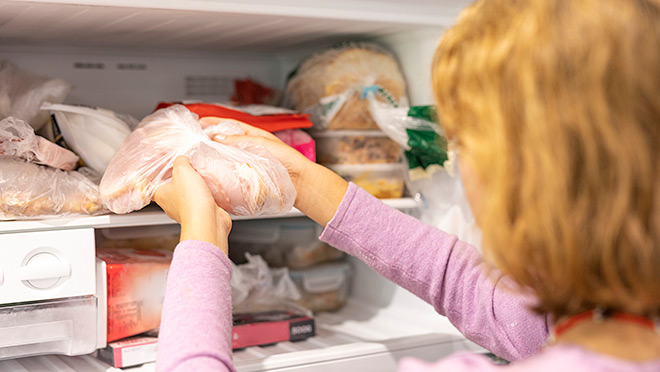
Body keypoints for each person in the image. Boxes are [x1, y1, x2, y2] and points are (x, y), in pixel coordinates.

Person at [153, 0, 660, 370]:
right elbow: (466, 286)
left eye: (465, 145)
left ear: (527, 182)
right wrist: (304, 180)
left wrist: (202, 237)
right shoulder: (601, 331)